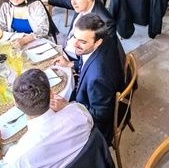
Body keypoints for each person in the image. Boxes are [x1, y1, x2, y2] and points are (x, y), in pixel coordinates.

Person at [0, 69, 93, 168]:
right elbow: (88, 120)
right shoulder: (79, 113)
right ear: (51, 95)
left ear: (16, 104)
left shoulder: (18, 156)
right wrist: (67, 106)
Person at [53, 14, 124, 143]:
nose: (75, 44)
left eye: (83, 42)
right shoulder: (103, 40)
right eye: (75, 37)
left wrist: (67, 106)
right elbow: (84, 61)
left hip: (99, 128)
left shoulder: (98, 77)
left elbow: (101, 114)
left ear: (98, 42)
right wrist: (70, 64)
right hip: (93, 92)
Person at [53, 0, 117, 59]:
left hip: (79, 59)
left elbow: (101, 57)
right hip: (67, 48)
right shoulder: (82, 5)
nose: (73, 3)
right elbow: (64, 1)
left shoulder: (105, 22)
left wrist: (72, 65)